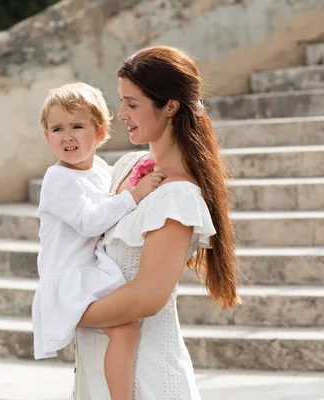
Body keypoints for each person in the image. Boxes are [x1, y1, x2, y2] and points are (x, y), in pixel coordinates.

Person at [72, 46, 240, 399]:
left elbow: (148, 296)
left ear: (170, 107)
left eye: (132, 104)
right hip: (97, 370)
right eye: (121, 102)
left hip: (146, 377)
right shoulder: (125, 168)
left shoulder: (179, 197)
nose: (121, 115)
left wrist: (67, 312)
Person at [32, 82, 166, 400]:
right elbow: (91, 220)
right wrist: (135, 194)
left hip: (90, 273)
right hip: (69, 281)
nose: (67, 136)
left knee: (125, 328)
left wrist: (139, 183)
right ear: (47, 136)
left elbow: (113, 205)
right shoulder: (57, 179)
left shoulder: (102, 170)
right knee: (127, 327)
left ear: (100, 130)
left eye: (77, 126)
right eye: (57, 128)